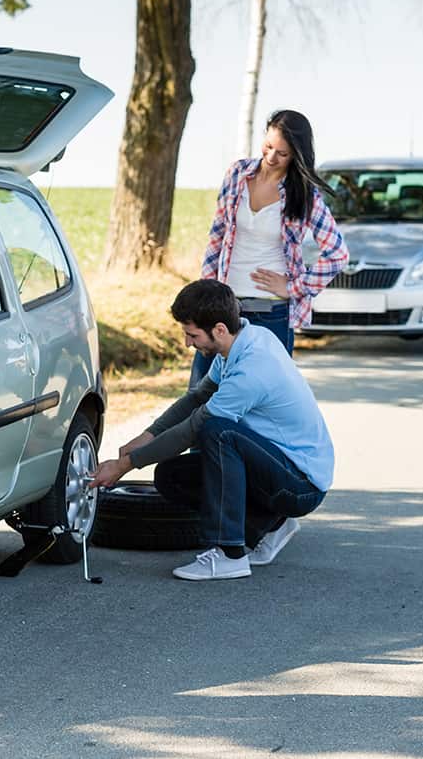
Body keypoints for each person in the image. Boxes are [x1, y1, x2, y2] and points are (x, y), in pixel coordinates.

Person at [92, 279, 334, 581]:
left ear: (219, 329)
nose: (187, 343)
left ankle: (229, 554)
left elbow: (195, 427)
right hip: (278, 467)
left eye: (192, 335)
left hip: (300, 485)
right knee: (171, 476)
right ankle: (271, 524)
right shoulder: (244, 339)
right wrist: (144, 438)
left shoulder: (252, 369)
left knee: (218, 431)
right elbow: (195, 398)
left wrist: (124, 465)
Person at [192, 109, 349, 386]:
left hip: (270, 314)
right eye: (268, 146)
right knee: (200, 394)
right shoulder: (237, 174)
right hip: (223, 310)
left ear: (297, 155)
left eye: (283, 153)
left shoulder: (304, 194)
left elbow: (337, 253)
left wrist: (293, 287)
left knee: (262, 404)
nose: (272, 157)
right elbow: (217, 236)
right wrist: (205, 293)